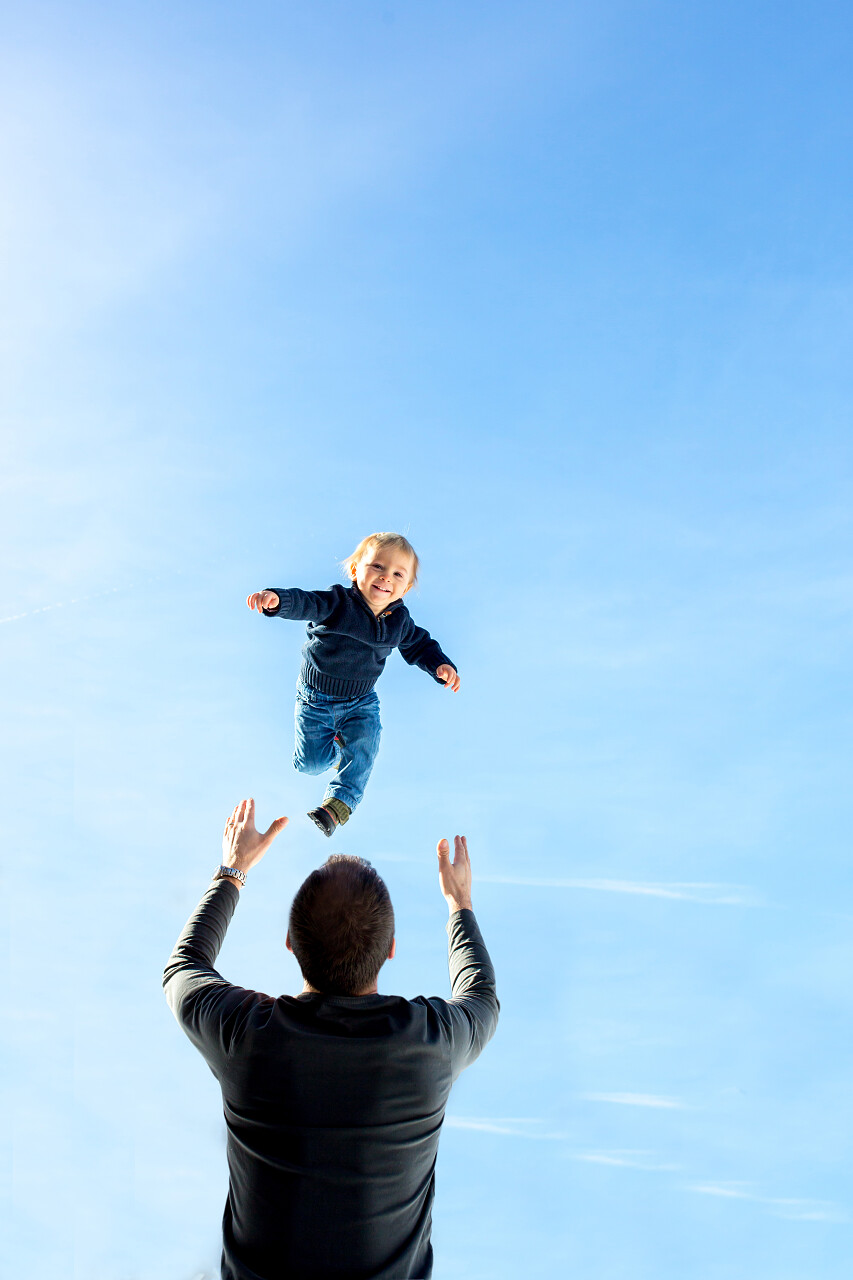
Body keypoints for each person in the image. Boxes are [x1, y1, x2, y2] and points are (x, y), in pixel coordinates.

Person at [163, 798, 498, 1280]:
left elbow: (183, 970)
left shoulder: (250, 1036)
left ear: (290, 943)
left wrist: (233, 870)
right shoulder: (430, 1044)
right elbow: (481, 996)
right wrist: (460, 905)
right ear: (391, 949)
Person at [247, 532, 460, 836]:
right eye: (377, 567)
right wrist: (278, 600)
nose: (386, 578)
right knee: (310, 764)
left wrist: (440, 664)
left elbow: (419, 645)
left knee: (365, 744)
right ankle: (335, 745)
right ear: (355, 570)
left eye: (398, 574)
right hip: (315, 700)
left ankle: (339, 805)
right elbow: (306, 603)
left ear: (407, 587)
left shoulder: (399, 622)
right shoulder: (338, 603)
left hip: (361, 702)